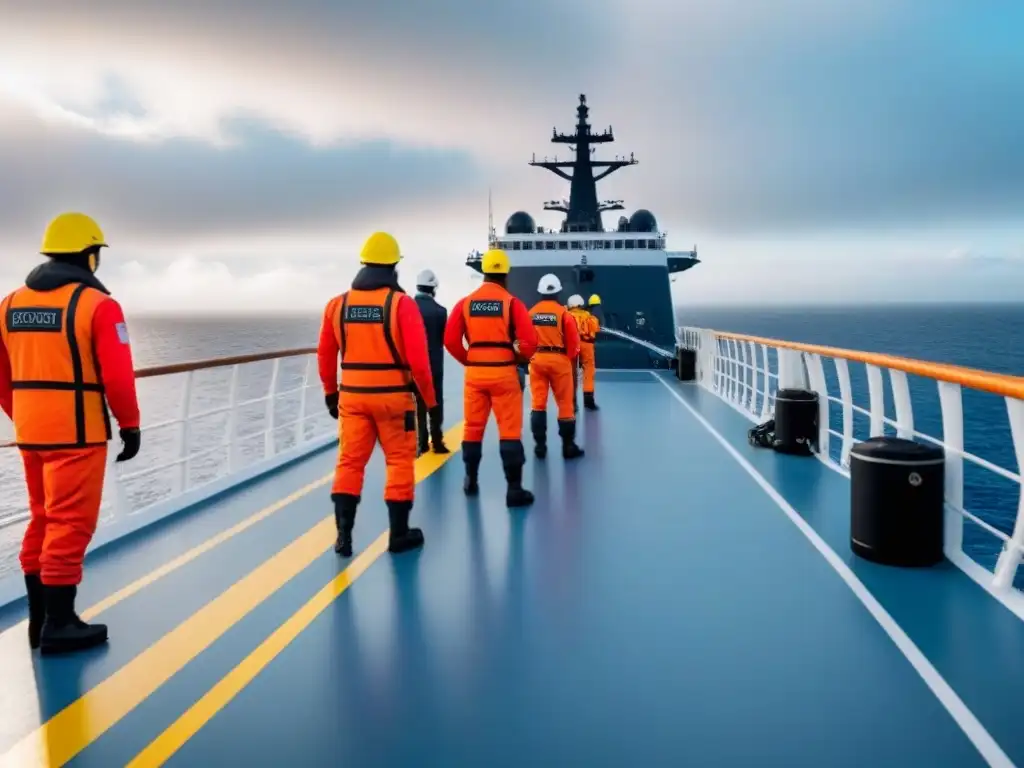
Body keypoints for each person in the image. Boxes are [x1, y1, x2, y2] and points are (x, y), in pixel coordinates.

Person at [0, 212, 142, 655]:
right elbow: (118, 377)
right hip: (78, 435)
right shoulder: (98, 306)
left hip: (31, 433)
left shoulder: (9, 305)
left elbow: (1, 376)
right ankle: (60, 624)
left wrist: (22, 413)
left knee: (42, 518)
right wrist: (129, 424)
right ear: (89, 255)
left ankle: (39, 619)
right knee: (70, 524)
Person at [317, 232, 438, 558]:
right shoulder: (401, 305)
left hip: (353, 398)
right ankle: (399, 534)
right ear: (393, 266)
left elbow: (325, 356)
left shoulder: (336, 305)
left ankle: (343, 534)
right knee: (399, 461)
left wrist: (331, 393)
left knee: (350, 462)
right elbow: (420, 364)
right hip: (394, 399)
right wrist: (430, 400)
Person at [444, 249, 537, 507]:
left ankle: (470, 480)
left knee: (473, 429)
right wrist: (518, 358)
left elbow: (450, 340)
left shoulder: (465, 303)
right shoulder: (512, 304)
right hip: (504, 373)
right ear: (505, 274)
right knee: (509, 432)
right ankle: (514, 490)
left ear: (483, 273)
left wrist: (469, 359)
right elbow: (530, 343)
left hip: (475, 375)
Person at [528, 276, 584, 459]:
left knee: (538, 403)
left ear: (539, 292)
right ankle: (568, 447)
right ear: (558, 292)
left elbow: (525, 340)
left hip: (537, 359)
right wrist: (566, 361)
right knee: (565, 405)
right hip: (560, 360)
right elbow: (574, 345)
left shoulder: (531, 313)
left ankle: (540, 446)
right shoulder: (564, 314)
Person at [413, 269, 449, 455]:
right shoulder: (441, 312)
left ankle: (421, 443)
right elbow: (444, 339)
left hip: (411, 366)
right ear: (433, 288)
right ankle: (437, 441)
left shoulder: (406, 308)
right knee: (435, 402)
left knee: (417, 403)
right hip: (434, 364)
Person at [567, 294, 600, 411]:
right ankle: (588, 400)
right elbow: (595, 328)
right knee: (588, 370)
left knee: (571, 372)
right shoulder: (588, 316)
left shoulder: (567, 315)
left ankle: (572, 403)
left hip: (571, 344)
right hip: (587, 344)